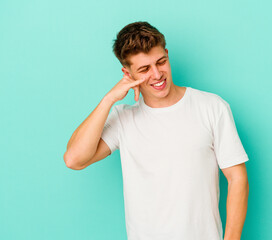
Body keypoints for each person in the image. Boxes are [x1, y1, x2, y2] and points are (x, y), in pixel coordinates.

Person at [64, 21, 249, 240]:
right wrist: (108, 99)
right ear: (127, 73)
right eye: (144, 69)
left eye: (161, 62)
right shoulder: (123, 119)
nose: (157, 74)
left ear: (167, 54)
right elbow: (74, 159)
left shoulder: (212, 107)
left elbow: (237, 178)